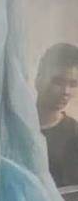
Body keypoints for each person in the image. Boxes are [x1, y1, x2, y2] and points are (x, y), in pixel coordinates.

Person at [35, 42, 78, 187]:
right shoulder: (15, 125)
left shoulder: (75, 135)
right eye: (58, 81)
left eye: (73, 84)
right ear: (39, 79)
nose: (66, 91)